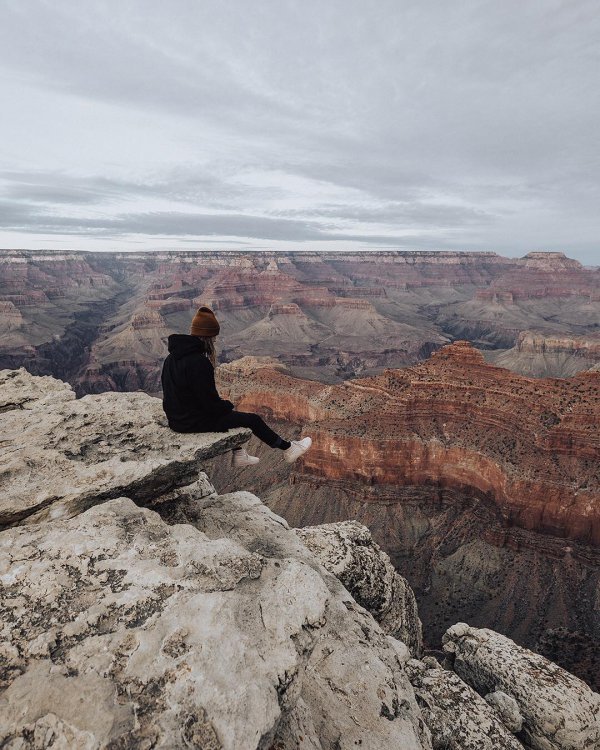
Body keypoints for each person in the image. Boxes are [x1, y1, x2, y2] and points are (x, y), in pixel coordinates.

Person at [161, 305, 312, 467]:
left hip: (176, 419)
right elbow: (210, 404)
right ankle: (288, 448)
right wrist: (227, 405)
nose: (214, 342)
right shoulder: (199, 362)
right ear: (208, 337)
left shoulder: (172, 357)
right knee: (252, 419)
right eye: (213, 339)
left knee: (231, 417)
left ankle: (239, 453)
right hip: (191, 422)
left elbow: (178, 392)